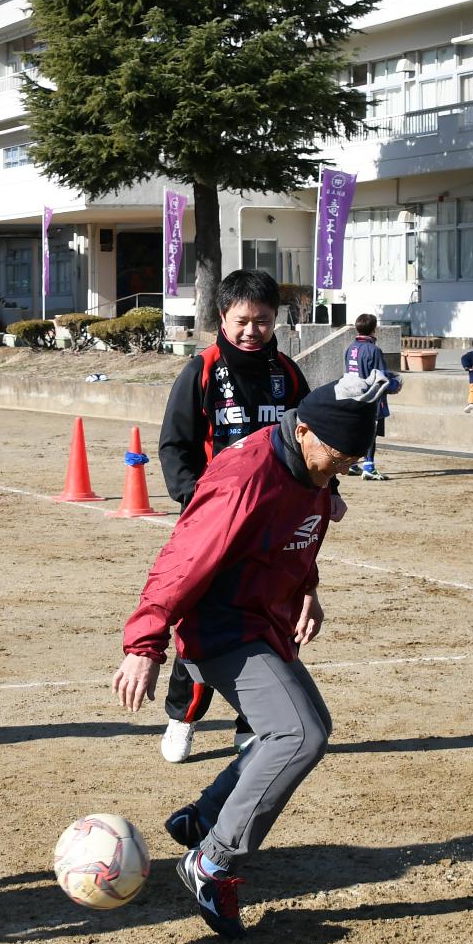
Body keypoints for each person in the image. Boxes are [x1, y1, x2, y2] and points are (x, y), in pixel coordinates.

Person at [113, 372, 383, 938]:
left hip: (257, 618)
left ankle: (208, 812)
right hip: (218, 623)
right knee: (297, 735)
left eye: (351, 461)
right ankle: (212, 860)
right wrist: (144, 644)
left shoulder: (309, 462)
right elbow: (181, 560)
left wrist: (306, 588)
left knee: (305, 727)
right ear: (304, 431)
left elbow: (299, 530)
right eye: (335, 458)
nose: (339, 472)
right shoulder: (245, 477)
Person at [155, 269, 312, 765]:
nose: (252, 331)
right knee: (201, 623)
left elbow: (312, 442)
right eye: (243, 321)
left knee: (273, 622)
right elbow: (174, 445)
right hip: (215, 528)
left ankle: (253, 725)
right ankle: (184, 717)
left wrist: (323, 492)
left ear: (275, 321)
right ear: (222, 317)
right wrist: (193, 501)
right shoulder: (201, 371)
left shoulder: (286, 374)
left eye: (262, 322)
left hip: (275, 529)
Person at [343, 314, 399, 481]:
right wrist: (394, 385)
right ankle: (369, 467)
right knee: (370, 432)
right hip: (369, 397)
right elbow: (380, 377)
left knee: (355, 431)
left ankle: (351, 464)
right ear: (374, 329)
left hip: (352, 394)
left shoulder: (350, 348)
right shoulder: (374, 350)